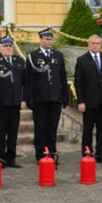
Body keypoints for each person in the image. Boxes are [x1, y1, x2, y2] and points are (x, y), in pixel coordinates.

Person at [24, 27, 69, 162]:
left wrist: (64, 96)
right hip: (40, 98)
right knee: (40, 127)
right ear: (41, 40)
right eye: (46, 39)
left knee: (52, 127)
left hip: (55, 98)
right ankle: (40, 154)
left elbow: (63, 77)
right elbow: (29, 80)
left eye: (51, 39)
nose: (49, 42)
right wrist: (29, 98)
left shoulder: (58, 55)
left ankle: (52, 152)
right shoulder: (33, 56)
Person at [74, 34, 102, 162]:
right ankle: (87, 152)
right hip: (89, 102)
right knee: (88, 129)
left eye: (98, 43)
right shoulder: (82, 60)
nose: (95, 45)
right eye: (93, 43)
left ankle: (100, 154)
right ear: (88, 44)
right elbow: (78, 83)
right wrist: (80, 101)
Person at [0, 36, 26, 168]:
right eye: (5, 46)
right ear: (0, 48)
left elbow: (24, 83)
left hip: (15, 102)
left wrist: (23, 99)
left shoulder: (19, 61)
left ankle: (11, 158)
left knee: (13, 132)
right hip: (0, 103)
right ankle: (0, 158)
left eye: (10, 46)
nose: (8, 48)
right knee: (1, 132)